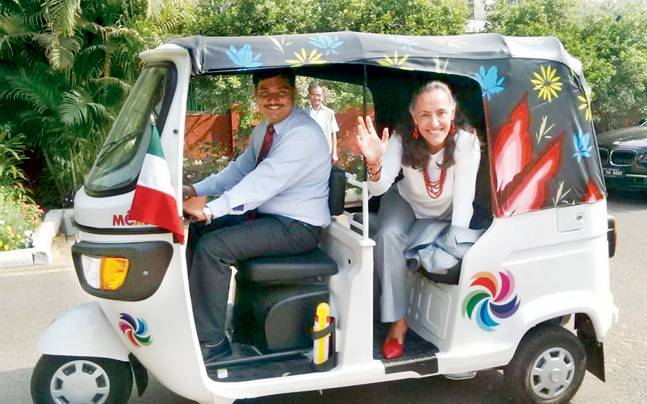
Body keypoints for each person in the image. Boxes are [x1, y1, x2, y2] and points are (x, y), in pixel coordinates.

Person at [183, 69, 332, 366]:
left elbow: (260, 183)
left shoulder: (303, 135)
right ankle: (195, 316)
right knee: (199, 231)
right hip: (271, 217)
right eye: (265, 93)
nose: (272, 100)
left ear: (294, 94)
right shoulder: (266, 130)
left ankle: (211, 343)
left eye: (281, 92)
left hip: (298, 227)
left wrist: (211, 210)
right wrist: (196, 189)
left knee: (213, 248)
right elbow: (240, 170)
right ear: (256, 96)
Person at [356, 81, 481, 360]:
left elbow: (464, 203)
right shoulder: (401, 138)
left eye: (441, 113)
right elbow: (379, 188)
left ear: (452, 112)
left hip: (443, 214)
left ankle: (382, 238)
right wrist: (374, 164)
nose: (434, 123)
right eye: (425, 114)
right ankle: (397, 321)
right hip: (404, 202)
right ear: (414, 116)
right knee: (388, 236)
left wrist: (453, 245)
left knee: (389, 246)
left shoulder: (466, 142)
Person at [307, 82, 340, 163]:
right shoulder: (304, 113)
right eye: (313, 94)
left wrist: (334, 153)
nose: (316, 97)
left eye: (318, 95)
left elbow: (333, 134)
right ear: (309, 96)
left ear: (322, 96)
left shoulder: (330, 113)